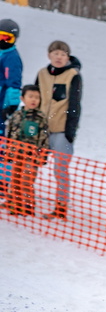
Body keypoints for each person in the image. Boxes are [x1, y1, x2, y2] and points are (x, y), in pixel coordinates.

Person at [35, 40, 81, 220]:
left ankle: (61, 206)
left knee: (60, 169)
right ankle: (22, 198)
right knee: (31, 164)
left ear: (67, 57)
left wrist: (70, 131)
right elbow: (35, 97)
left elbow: (75, 104)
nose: (59, 57)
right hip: (41, 129)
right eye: (56, 53)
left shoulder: (72, 75)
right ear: (49, 55)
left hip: (61, 130)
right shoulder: (42, 74)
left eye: (63, 54)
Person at [4, 85, 48, 216]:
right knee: (15, 179)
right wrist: (9, 151)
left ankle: (28, 207)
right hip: (17, 154)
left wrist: (42, 155)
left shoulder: (40, 117)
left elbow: (44, 137)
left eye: (37, 97)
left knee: (27, 181)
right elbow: (10, 133)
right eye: (31, 97)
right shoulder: (16, 116)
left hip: (31, 156)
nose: (34, 100)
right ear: (23, 98)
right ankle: (14, 205)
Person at [0, 18, 21, 119]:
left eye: (7, 38)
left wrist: (12, 105)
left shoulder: (12, 58)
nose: (2, 41)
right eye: (0, 37)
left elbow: (13, 83)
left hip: (2, 102)